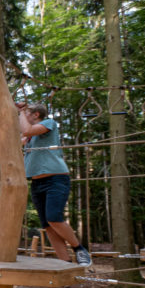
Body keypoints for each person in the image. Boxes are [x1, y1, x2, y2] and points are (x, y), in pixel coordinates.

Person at [17, 102, 91, 266]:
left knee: (54, 218)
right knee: (48, 225)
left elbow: (27, 129)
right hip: (37, 183)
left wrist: (21, 111)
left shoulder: (48, 123)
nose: (23, 116)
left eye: (27, 113)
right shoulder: (30, 138)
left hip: (55, 179)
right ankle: (65, 263)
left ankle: (79, 249)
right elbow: (21, 134)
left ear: (36, 115)